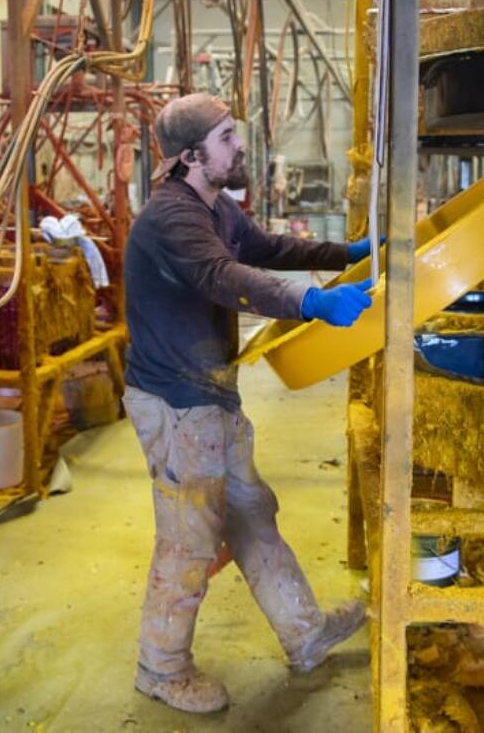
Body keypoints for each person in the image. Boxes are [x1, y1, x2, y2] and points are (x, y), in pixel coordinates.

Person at [123, 92, 376, 714]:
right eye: (227, 137)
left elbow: (265, 251)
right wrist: (309, 303)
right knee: (190, 540)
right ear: (190, 156)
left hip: (212, 397)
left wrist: (344, 255)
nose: (239, 146)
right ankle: (160, 667)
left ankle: (304, 632)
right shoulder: (172, 218)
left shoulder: (218, 208)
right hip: (177, 405)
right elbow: (225, 277)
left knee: (253, 513)